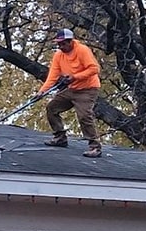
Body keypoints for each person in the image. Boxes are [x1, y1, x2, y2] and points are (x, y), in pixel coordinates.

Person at [40, 28, 102, 158]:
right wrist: (41, 92)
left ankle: (95, 146)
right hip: (72, 89)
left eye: (63, 44)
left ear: (70, 41)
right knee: (52, 108)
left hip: (88, 89)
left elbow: (94, 69)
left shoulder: (82, 50)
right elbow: (52, 76)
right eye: (59, 44)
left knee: (84, 115)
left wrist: (75, 77)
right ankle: (60, 137)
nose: (61, 46)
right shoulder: (58, 55)